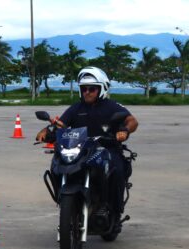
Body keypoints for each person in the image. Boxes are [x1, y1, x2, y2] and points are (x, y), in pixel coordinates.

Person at [35, 66, 139, 230]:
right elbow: (62, 124)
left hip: (107, 148)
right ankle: (66, 201)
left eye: (92, 89)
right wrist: (47, 131)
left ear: (102, 89)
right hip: (82, 149)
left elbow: (132, 120)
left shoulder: (111, 106)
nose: (87, 92)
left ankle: (115, 211)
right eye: (84, 89)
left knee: (117, 170)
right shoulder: (76, 108)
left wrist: (125, 131)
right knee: (57, 164)